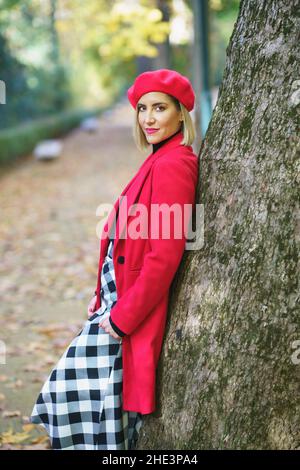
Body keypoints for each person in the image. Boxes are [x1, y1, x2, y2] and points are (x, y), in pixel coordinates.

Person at [30, 68, 199, 450]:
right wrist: (100, 295)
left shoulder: (174, 164)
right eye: (142, 109)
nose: (149, 118)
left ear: (180, 114)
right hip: (113, 304)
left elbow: (164, 256)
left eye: (160, 108)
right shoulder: (157, 159)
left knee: (73, 397)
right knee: (82, 405)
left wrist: (121, 319)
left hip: (127, 314)